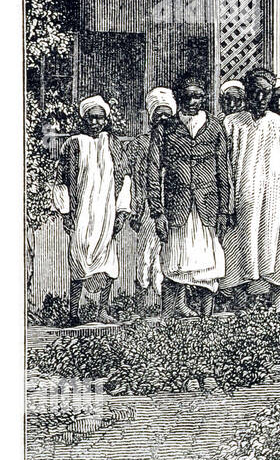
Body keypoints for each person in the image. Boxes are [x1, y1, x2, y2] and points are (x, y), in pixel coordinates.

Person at [147, 74, 233, 318]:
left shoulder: (215, 127)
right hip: (177, 208)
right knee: (174, 264)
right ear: (178, 97)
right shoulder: (165, 128)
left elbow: (223, 170)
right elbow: (153, 171)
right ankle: (167, 320)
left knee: (208, 268)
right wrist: (157, 212)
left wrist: (225, 210)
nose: (193, 101)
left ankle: (207, 323)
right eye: (188, 96)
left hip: (207, 207)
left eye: (198, 96)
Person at [220, 71, 280, 310]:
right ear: (247, 93)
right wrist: (227, 204)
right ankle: (240, 305)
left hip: (272, 202)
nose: (261, 97)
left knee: (276, 248)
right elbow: (223, 166)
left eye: (266, 92)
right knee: (238, 248)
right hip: (240, 199)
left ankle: (275, 304)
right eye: (255, 92)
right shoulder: (231, 123)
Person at [54, 96, 132, 325]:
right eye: (92, 117)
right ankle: (73, 313)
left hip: (106, 212)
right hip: (82, 215)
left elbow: (124, 178)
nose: (96, 122)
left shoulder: (113, 143)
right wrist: (65, 212)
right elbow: (62, 180)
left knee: (107, 262)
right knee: (79, 261)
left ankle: (102, 310)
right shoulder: (73, 143)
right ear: (84, 118)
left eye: (100, 118)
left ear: (106, 119)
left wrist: (122, 211)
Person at [129, 88, 176, 310]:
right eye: (159, 115)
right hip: (149, 207)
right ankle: (142, 305)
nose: (163, 119)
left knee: (168, 255)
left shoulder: (178, 141)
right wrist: (135, 209)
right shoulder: (139, 144)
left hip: (175, 207)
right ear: (151, 117)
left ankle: (166, 305)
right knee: (146, 254)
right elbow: (134, 179)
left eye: (168, 114)